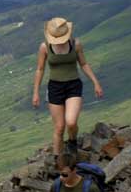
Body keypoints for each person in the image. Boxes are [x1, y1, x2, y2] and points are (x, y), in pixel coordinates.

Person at [31, 16, 104, 158]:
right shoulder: (45, 47)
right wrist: (36, 92)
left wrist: (96, 82)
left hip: (73, 85)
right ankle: (58, 159)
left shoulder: (75, 44)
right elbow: (40, 69)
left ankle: (72, 141)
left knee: (71, 122)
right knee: (59, 127)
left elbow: (83, 64)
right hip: (55, 87)